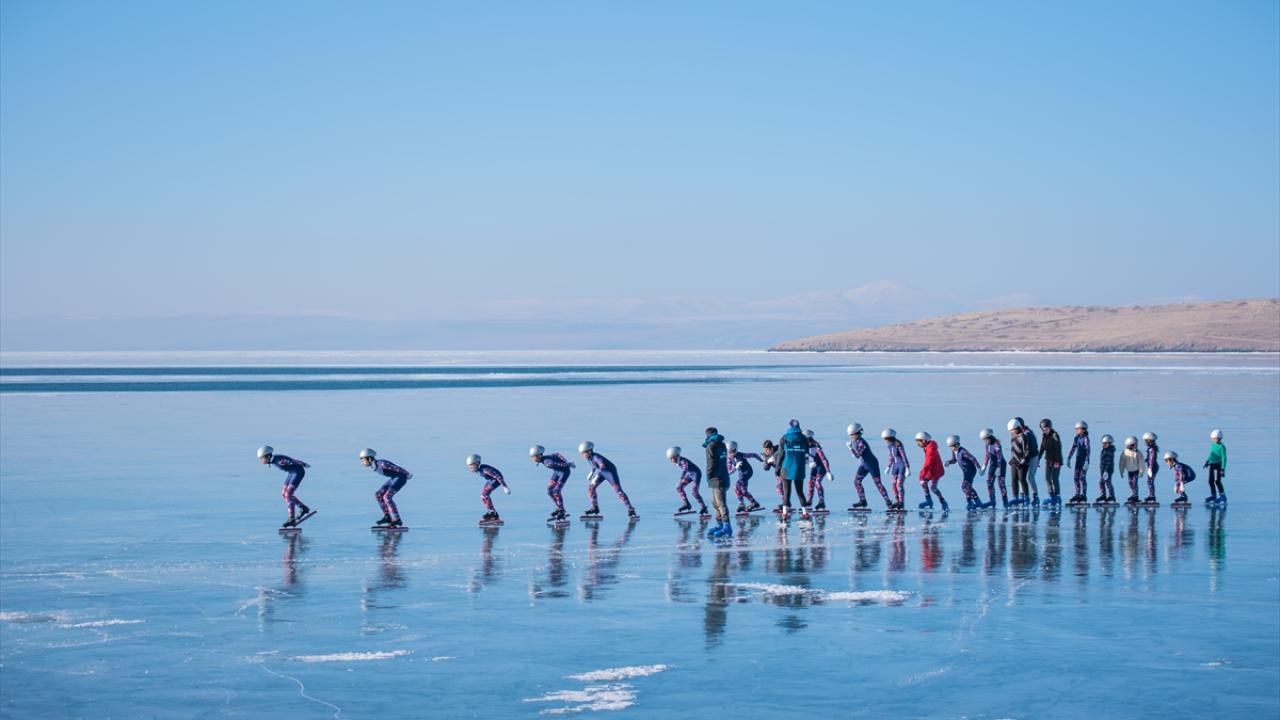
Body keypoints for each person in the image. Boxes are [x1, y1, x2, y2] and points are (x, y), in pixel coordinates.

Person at [578, 441, 638, 519]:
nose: (582, 455)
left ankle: (631, 509)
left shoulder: (596, 457)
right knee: (591, 488)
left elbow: (602, 465)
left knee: (619, 491)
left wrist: (596, 477)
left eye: (583, 453)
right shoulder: (589, 458)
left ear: (589, 451)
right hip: (601, 473)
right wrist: (591, 473)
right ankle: (595, 508)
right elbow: (594, 466)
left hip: (610, 472)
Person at [258, 445, 313, 528]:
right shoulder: (274, 459)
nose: (260, 461)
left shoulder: (279, 461)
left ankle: (291, 519)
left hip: (298, 473)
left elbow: (293, 461)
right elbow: (292, 461)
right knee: (284, 493)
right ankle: (303, 508)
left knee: (288, 495)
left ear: (268, 456)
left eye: (261, 458)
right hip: (292, 473)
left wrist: (304, 464)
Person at [360, 448, 410, 528]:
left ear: (369, 459)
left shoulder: (382, 464)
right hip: (394, 478)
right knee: (378, 494)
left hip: (400, 478)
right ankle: (388, 517)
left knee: (387, 497)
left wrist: (407, 474)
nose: (362, 463)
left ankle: (397, 519)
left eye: (363, 460)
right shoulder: (374, 465)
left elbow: (396, 468)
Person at [846, 423, 890, 510]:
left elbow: (857, 455)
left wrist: (850, 448)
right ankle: (863, 501)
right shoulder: (855, 441)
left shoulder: (862, 443)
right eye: (850, 435)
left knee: (878, 483)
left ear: (858, 433)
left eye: (852, 435)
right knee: (857, 482)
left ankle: (888, 501)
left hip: (872, 464)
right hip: (864, 464)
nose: (851, 437)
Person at [777, 420, 811, 521]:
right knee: (800, 491)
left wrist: (777, 467)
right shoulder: (804, 438)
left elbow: (780, 454)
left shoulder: (784, 438)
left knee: (786, 491)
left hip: (786, 468)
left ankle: (785, 514)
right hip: (799, 469)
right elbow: (806, 453)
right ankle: (805, 513)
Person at [531, 445, 574, 521]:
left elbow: (557, 463)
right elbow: (556, 454)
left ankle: (561, 510)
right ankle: (559, 508)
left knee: (556, 491)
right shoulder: (545, 458)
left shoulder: (547, 462)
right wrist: (566, 461)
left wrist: (568, 464)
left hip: (564, 472)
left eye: (533, 457)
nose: (532, 459)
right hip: (557, 472)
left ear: (539, 455)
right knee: (549, 490)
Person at [703, 427, 733, 538]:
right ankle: (720, 524)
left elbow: (711, 462)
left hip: (717, 478)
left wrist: (709, 475)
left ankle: (727, 526)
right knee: (715, 503)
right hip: (724, 476)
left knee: (720, 503)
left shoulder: (710, 446)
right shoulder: (722, 444)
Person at [466, 453, 510, 523]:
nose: (471, 468)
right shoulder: (481, 469)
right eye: (469, 466)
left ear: (477, 463)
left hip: (496, 481)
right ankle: (492, 512)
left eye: (471, 466)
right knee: (483, 495)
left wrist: (505, 487)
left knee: (484, 495)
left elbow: (498, 477)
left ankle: (493, 513)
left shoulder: (485, 470)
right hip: (491, 480)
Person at [667, 446, 708, 516]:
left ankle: (704, 507)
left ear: (675, 456)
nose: (671, 460)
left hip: (696, 474)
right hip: (689, 474)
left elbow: (685, 469)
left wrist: (681, 479)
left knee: (694, 492)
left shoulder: (683, 461)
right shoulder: (678, 461)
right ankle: (687, 504)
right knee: (679, 488)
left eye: (671, 458)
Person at [944, 435, 982, 510]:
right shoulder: (954, 451)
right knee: (968, 487)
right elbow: (954, 460)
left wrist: (979, 468)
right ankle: (977, 501)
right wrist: (948, 462)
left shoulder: (963, 451)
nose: (951, 448)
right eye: (950, 447)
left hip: (970, 471)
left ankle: (970, 502)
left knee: (964, 486)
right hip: (965, 471)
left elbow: (973, 458)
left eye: (951, 446)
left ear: (956, 445)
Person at [726, 441, 763, 513]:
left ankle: (743, 504)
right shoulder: (729, 459)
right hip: (741, 475)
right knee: (743, 490)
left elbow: (754, 455)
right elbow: (728, 472)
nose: (730, 454)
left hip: (748, 472)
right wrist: (735, 468)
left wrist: (761, 460)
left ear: (736, 450)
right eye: (729, 452)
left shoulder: (741, 455)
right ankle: (752, 503)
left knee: (736, 486)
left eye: (732, 451)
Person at [915, 432, 948, 511]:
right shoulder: (927, 447)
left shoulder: (931, 450)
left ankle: (943, 501)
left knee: (933, 488)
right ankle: (928, 501)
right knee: (923, 483)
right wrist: (923, 476)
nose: (917, 444)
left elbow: (928, 463)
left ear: (924, 441)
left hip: (936, 471)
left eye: (918, 442)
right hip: (930, 470)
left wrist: (922, 475)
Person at [977, 428, 1008, 509]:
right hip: (993, 465)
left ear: (989, 437)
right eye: (983, 440)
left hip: (1001, 465)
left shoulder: (996, 445)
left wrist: (998, 468)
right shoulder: (987, 445)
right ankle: (992, 500)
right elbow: (987, 456)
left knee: (1001, 483)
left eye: (985, 439)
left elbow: (999, 457)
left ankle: (1005, 502)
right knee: (989, 483)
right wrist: (984, 466)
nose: (984, 441)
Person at [804, 429, 833, 511]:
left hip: (821, 467)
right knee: (811, 483)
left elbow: (824, 459)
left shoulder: (816, 447)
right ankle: (809, 501)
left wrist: (828, 472)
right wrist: (809, 463)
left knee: (817, 482)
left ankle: (821, 502)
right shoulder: (804, 447)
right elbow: (804, 459)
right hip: (814, 468)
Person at [882, 428, 910, 511]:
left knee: (899, 484)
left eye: (885, 439)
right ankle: (897, 502)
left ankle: (901, 502)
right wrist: (888, 467)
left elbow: (904, 456)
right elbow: (891, 456)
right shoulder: (889, 446)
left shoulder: (898, 445)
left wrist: (907, 468)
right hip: (895, 467)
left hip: (901, 466)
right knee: (893, 485)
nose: (884, 441)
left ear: (889, 438)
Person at [1016, 417, 1041, 507]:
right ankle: (1023, 496)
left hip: (1032, 457)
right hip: (1025, 458)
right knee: (1021, 477)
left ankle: (1035, 497)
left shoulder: (1027, 433)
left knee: (1030, 477)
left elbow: (1032, 448)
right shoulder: (1019, 434)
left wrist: (1025, 459)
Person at [1007, 419, 1032, 506]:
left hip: (1022, 462)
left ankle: (1026, 497)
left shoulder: (1023, 437)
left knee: (1022, 478)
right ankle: (1015, 497)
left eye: (1012, 430)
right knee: (1014, 479)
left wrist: (1023, 460)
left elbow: (1027, 450)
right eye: (1010, 431)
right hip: (1014, 461)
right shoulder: (1013, 437)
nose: (1011, 432)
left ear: (1017, 428)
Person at [1039, 418, 1063, 507]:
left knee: (1054, 478)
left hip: (1056, 460)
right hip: (1048, 460)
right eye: (1043, 429)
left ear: (1049, 427)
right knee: (1047, 478)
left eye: (1046, 429)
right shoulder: (1044, 436)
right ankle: (1051, 495)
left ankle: (1057, 496)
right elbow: (1042, 448)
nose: (1045, 430)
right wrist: (1038, 459)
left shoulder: (1055, 436)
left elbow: (1058, 449)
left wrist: (1057, 461)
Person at [1066, 421, 1091, 505]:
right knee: (1076, 478)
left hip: (1084, 461)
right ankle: (1077, 494)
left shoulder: (1086, 439)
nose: (1076, 430)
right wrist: (1069, 458)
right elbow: (1073, 448)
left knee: (1082, 478)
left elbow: (1088, 450)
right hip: (1078, 461)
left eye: (1078, 429)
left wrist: (1087, 461)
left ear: (1083, 429)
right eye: (1076, 429)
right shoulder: (1076, 438)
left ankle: (1083, 495)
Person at [1204, 429, 1228, 506]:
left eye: (1217, 438)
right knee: (1210, 481)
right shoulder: (1213, 445)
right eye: (1214, 439)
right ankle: (1213, 495)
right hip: (1211, 464)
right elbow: (1212, 454)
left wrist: (1223, 469)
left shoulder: (1222, 447)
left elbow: (1224, 458)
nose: (1215, 440)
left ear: (1220, 438)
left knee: (1217, 481)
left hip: (1218, 465)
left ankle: (1223, 496)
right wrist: (1207, 461)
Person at [1119, 436, 1145, 505]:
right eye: (1130, 445)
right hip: (1129, 471)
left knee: (1134, 483)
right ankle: (1133, 494)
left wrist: (1141, 471)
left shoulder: (1138, 452)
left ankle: (1135, 495)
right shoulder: (1125, 452)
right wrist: (1121, 470)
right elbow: (1122, 462)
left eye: (1133, 445)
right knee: (1130, 483)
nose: (1131, 446)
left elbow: (1141, 462)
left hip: (1136, 471)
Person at [761, 440, 785, 513]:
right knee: (779, 488)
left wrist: (774, 457)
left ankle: (786, 503)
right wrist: (767, 462)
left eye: (767, 450)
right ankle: (785, 502)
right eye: (765, 450)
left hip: (786, 469)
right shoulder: (766, 455)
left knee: (784, 486)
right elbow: (766, 468)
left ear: (771, 448)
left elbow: (783, 451)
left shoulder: (778, 449)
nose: (766, 452)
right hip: (778, 472)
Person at [1095, 434, 1117, 503]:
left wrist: (1106, 471)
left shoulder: (1109, 451)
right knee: (1101, 482)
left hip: (1108, 470)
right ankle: (1103, 495)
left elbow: (1109, 462)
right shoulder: (1104, 450)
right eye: (1103, 443)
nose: (1104, 445)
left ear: (1110, 443)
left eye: (1106, 443)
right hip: (1103, 469)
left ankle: (1112, 496)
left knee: (1108, 482)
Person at [1142, 432, 1160, 504]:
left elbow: (1152, 458)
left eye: (1145, 440)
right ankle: (1151, 495)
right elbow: (1149, 458)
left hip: (1153, 467)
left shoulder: (1152, 449)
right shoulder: (1151, 448)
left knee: (1150, 481)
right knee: (1149, 481)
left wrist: (1150, 467)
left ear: (1149, 440)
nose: (1145, 442)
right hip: (1152, 466)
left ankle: (1152, 496)